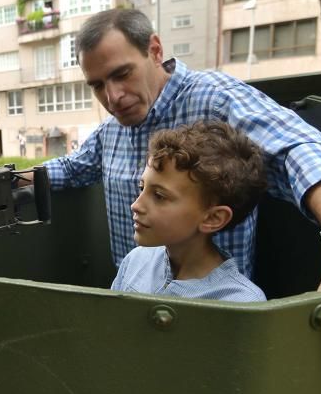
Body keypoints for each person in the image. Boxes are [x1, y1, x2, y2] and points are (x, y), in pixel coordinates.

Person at [0, 8, 321, 346]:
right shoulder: (113, 130)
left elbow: (302, 150)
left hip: (210, 320)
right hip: (137, 292)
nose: (113, 95)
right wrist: (5, 180)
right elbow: (72, 168)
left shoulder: (217, 98)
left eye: (122, 74)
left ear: (155, 50)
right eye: (98, 85)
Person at [112, 121, 266, 302]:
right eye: (141, 187)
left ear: (213, 218)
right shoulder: (135, 261)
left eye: (159, 196)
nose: (136, 205)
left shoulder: (241, 302)